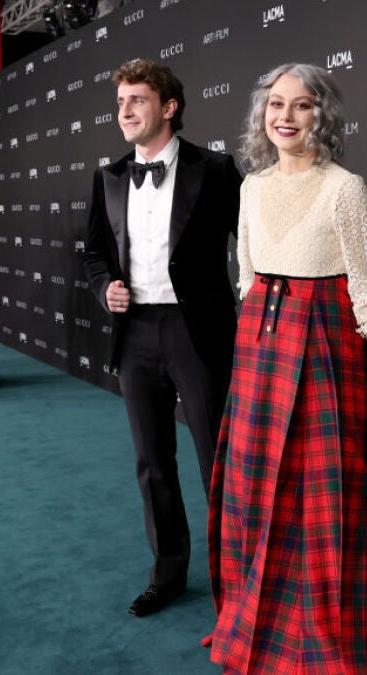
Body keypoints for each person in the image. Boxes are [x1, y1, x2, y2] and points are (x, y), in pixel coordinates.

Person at [206, 63, 367, 673]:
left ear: (324, 114)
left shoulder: (346, 189)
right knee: (253, 490)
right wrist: (256, 339)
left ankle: (329, 643)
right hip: (259, 351)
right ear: (261, 114)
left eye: (301, 105)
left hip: (325, 349)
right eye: (275, 104)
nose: (286, 117)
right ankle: (259, 628)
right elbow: (246, 276)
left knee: (326, 500)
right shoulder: (251, 187)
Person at [83, 58, 242, 618]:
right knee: (152, 463)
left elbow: (253, 241)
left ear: (168, 107)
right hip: (136, 335)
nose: (124, 112)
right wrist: (104, 288)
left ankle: (237, 582)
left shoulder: (215, 169)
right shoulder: (108, 177)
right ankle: (168, 573)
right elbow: (94, 254)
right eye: (120, 102)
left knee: (217, 461)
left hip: (196, 332)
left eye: (137, 100)